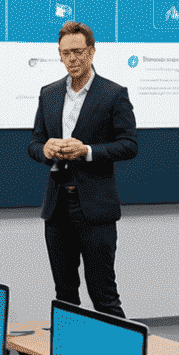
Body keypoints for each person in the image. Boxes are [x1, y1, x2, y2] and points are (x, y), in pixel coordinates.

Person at [29, 22, 138, 318]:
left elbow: (129, 145)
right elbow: (34, 144)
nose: (72, 59)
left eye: (78, 52)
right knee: (64, 294)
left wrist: (87, 151)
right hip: (57, 205)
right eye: (65, 53)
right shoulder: (48, 93)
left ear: (91, 51)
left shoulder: (113, 94)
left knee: (103, 294)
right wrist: (45, 150)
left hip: (94, 206)